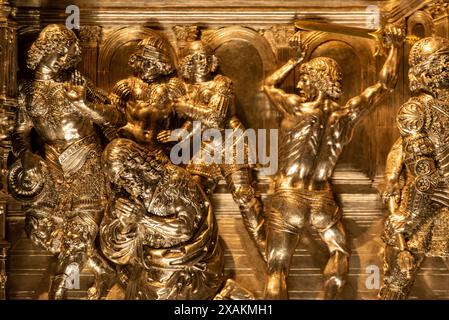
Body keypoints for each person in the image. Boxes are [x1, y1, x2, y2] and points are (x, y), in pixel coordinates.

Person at [262, 25, 404, 299]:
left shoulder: (295, 107)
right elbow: (386, 85)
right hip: (322, 200)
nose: (300, 84)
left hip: (288, 196)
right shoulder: (346, 114)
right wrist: (396, 46)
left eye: (305, 79)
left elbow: (268, 85)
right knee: (339, 252)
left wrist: (294, 60)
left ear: (316, 80)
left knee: (277, 269)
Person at [9, 24, 122, 299]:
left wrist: (85, 104)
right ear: (44, 50)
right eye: (58, 53)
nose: (64, 60)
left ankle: (57, 292)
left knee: (78, 237)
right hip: (49, 167)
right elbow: (20, 131)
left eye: (68, 55)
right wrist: (24, 153)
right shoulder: (26, 90)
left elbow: (117, 118)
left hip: (86, 164)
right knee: (40, 229)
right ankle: (102, 269)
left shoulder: (76, 84)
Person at [158, 40, 266, 260]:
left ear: (212, 62)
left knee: (243, 195)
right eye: (195, 58)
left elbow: (215, 117)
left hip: (230, 141)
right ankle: (196, 255)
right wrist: (178, 135)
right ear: (187, 63)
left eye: (205, 58)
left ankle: (267, 252)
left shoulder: (221, 84)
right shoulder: (188, 90)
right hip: (206, 144)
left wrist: (184, 105)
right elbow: (195, 124)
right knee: (192, 193)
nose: (201, 62)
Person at [380, 36, 449, 299]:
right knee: (399, 276)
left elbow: (424, 176)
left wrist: (405, 219)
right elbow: (406, 150)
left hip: (430, 203)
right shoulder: (418, 110)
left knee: (398, 279)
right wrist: (391, 175)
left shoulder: (418, 109)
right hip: (429, 201)